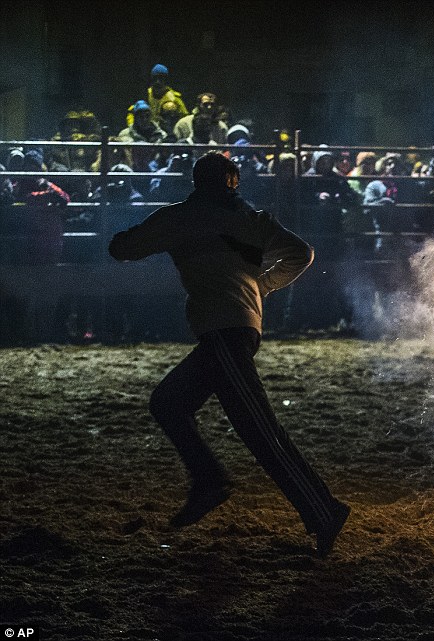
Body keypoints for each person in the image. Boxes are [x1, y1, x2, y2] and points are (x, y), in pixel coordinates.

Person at [107, 152, 349, 557]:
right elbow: (301, 253)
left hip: (223, 331)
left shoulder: (180, 218)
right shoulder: (252, 219)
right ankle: (212, 481)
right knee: (170, 403)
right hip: (238, 328)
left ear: (197, 182)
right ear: (233, 182)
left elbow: (122, 248)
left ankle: (321, 509)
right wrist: (262, 286)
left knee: (255, 429)